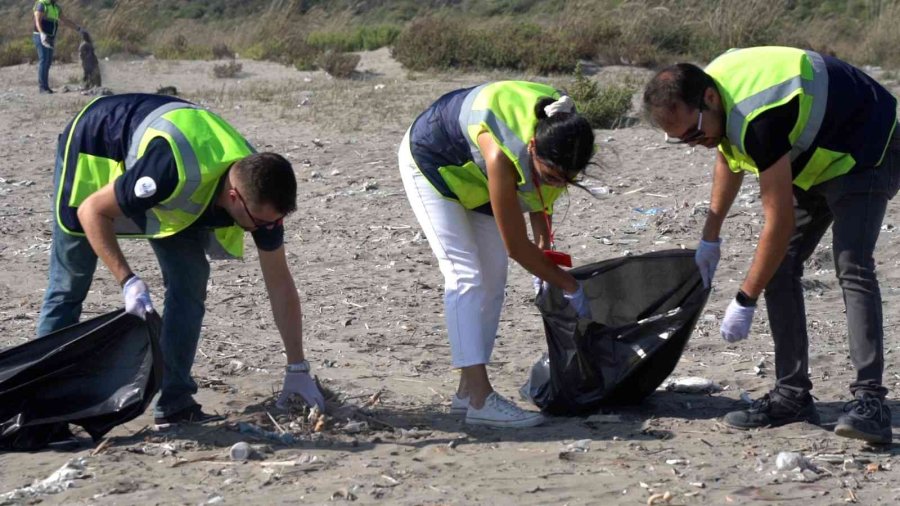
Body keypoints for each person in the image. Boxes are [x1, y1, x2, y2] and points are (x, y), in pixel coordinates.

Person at [643, 46, 899, 444]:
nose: (695, 142)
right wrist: (709, 236)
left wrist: (744, 299)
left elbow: (777, 224)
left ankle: (870, 402)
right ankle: (792, 395)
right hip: (812, 153)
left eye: (694, 132)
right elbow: (728, 156)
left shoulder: (759, 117)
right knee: (780, 267)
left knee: (852, 264)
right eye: (682, 141)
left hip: (868, 145)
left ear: (709, 98)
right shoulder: (713, 97)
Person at [37, 93, 324, 429]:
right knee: (70, 284)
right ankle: (41, 410)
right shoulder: (171, 170)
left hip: (179, 189)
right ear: (233, 198)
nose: (267, 229)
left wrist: (297, 367)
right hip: (95, 144)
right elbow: (91, 211)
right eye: (261, 223)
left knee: (190, 280)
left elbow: (279, 283)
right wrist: (128, 281)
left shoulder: (258, 189)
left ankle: (174, 402)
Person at [398, 81, 595, 428]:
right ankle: (479, 397)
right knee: (465, 274)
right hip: (431, 162)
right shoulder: (500, 152)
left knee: (493, 277)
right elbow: (517, 247)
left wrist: (545, 252)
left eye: (568, 180)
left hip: (474, 178)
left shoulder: (564, 133)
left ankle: (464, 394)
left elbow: (539, 199)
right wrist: (569, 286)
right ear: (532, 147)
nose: (558, 186)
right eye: (551, 176)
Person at [33, 0, 87, 94]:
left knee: (48, 61)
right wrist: (42, 34)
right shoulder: (42, 4)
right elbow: (37, 20)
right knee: (44, 60)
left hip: (50, 37)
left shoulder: (56, 7)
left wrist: (78, 28)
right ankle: (42, 88)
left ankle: (46, 87)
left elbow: (65, 20)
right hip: (40, 36)